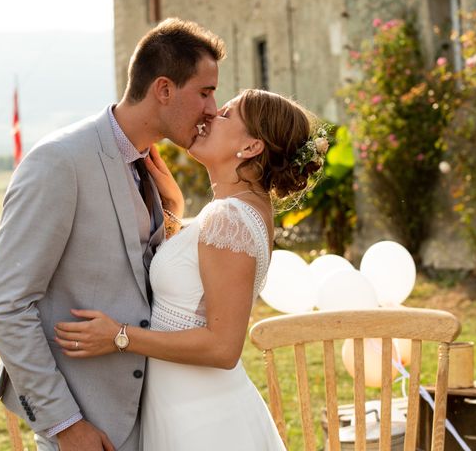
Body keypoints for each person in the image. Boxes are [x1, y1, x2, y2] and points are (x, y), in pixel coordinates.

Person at [0, 17, 226, 451]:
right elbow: (6, 306)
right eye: (205, 92)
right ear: (164, 89)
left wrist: (171, 214)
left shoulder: (146, 165)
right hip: (87, 427)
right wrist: (65, 425)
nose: (213, 108)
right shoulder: (59, 161)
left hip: (153, 417)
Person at [54, 88, 328, 450]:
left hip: (202, 422)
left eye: (228, 115)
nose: (211, 115)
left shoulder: (228, 217)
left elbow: (223, 347)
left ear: (251, 147)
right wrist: (176, 212)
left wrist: (119, 336)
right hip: (190, 407)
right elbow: (197, 282)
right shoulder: (242, 210)